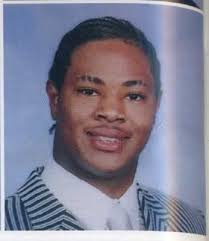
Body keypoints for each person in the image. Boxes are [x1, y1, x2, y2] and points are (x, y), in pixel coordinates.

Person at [5, 16, 205, 233]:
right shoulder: (8, 222)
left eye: (134, 96)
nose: (111, 113)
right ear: (55, 99)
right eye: (89, 91)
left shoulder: (191, 222)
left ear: (157, 105)